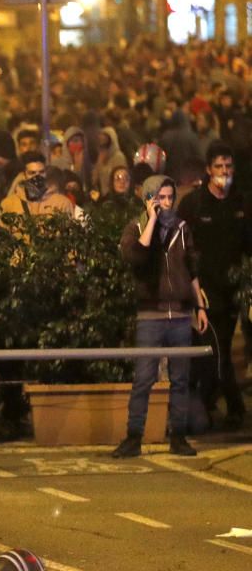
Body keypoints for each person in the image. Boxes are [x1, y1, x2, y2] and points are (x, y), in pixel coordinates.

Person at [113, 175, 208, 458]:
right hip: (150, 315)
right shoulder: (136, 227)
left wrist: (199, 306)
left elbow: (191, 269)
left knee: (181, 379)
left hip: (179, 313)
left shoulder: (182, 228)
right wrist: (152, 220)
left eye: (170, 198)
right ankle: (133, 436)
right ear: (149, 199)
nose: (167, 204)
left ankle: (178, 436)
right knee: (143, 378)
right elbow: (137, 257)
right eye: (161, 198)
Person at [177, 142, 249, 430]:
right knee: (215, 348)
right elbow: (182, 246)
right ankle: (231, 405)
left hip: (233, 289)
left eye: (228, 166)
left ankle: (211, 404)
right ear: (208, 170)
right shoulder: (194, 204)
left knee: (220, 348)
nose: (224, 172)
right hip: (203, 290)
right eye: (219, 167)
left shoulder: (241, 203)